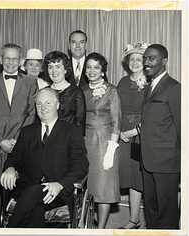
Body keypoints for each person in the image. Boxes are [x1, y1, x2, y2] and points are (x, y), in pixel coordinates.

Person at [0, 88, 89, 228]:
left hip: (58, 192)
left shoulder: (71, 131)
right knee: (36, 207)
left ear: (57, 105)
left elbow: (81, 165)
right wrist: (10, 168)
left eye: (48, 103)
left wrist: (59, 185)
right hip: (29, 188)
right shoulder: (27, 131)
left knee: (32, 193)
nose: (43, 107)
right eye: (39, 104)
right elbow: (15, 157)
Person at [0, 43, 38, 227]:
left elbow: (32, 114)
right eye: (7, 58)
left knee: (22, 195)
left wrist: (18, 141)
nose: (11, 62)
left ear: (21, 61)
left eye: (15, 59)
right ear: (0, 60)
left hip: (21, 148)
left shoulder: (30, 82)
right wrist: (0, 141)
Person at [141, 44, 181, 229]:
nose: (146, 62)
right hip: (148, 160)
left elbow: (183, 128)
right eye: (145, 58)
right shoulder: (150, 86)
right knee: (151, 207)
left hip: (167, 162)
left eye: (152, 58)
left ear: (164, 61)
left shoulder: (174, 88)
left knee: (167, 210)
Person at [82, 52, 121, 228]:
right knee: (86, 186)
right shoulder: (82, 91)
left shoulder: (111, 91)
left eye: (96, 67)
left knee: (103, 188)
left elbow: (116, 122)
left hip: (104, 142)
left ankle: (101, 229)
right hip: (84, 141)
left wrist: (110, 152)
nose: (92, 70)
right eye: (89, 67)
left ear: (103, 71)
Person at [117, 41, 150, 229]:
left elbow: (152, 115)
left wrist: (132, 131)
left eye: (139, 59)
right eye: (132, 59)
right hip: (122, 136)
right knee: (130, 178)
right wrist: (119, 131)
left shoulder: (150, 83)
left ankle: (148, 221)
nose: (135, 62)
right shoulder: (122, 81)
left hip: (139, 135)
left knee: (140, 179)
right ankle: (134, 219)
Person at [44, 51, 86, 136]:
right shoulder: (43, 92)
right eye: (50, 67)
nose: (54, 71)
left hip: (69, 141)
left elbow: (80, 124)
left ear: (65, 69)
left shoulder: (76, 92)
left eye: (58, 66)